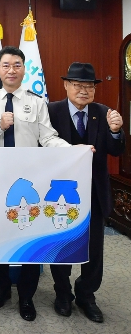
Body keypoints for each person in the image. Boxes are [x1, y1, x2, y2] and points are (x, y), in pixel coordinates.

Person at [0, 46, 72, 322]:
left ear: (23, 69)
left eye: (17, 65)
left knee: (29, 236)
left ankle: (26, 296)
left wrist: (73, 151)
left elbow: (48, 138)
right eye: (6, 65)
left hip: (29, 181)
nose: (11, 70)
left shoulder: (37, 101)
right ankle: (2, 287)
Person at [47, 62, 124, 323]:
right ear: (66, 85)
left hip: (94, 192)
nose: (83, 90)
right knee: (61, 244)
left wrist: (115, 131)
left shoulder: (103, 112)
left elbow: (116, 150)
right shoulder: (51, 111)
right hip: (60, 193)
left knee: (94, 248)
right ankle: (62, 293)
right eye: (77, 85)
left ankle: (87, 295)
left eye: (89, 86)